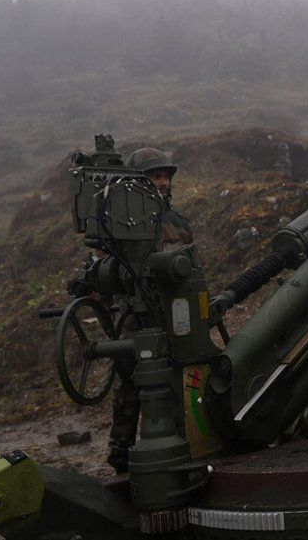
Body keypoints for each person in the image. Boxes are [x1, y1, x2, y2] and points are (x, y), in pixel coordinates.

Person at [106, 147, 193, 474]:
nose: (163, 182)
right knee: (130, 384)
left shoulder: (178, 224)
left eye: (165, 176)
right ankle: (121, 454)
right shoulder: (117, 225)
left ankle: (183, 443)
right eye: (155, 176)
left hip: (172, 313)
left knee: (179, 381)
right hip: (132, 318)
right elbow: (105, 273)